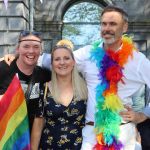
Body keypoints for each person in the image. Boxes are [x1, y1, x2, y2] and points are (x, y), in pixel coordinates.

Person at [2, 6, 150, 150]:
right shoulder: (88, 54)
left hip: (120, 134)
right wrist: (19, 56)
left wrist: (143, 114)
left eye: (113, 24)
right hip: (90, 135)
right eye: (104, 24)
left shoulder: (137, 60)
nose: (107, 28)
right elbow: (58, 60)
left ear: (124, 27)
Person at [30, 39, 88, 149]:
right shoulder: (45, 88)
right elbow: (38, 125)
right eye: (57, 59)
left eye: (66, 58)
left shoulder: (86, 88)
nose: (62, 62)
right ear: (52, 64)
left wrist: (131, 116)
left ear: (73, 62)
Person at [0, 30, 51, 134]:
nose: (31, 51)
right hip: (5, 137)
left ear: (41, 50)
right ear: (18, 48)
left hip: (30, 138)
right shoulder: (3, 68)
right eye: (26, 46)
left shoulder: (45, 75)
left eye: (36, 47)